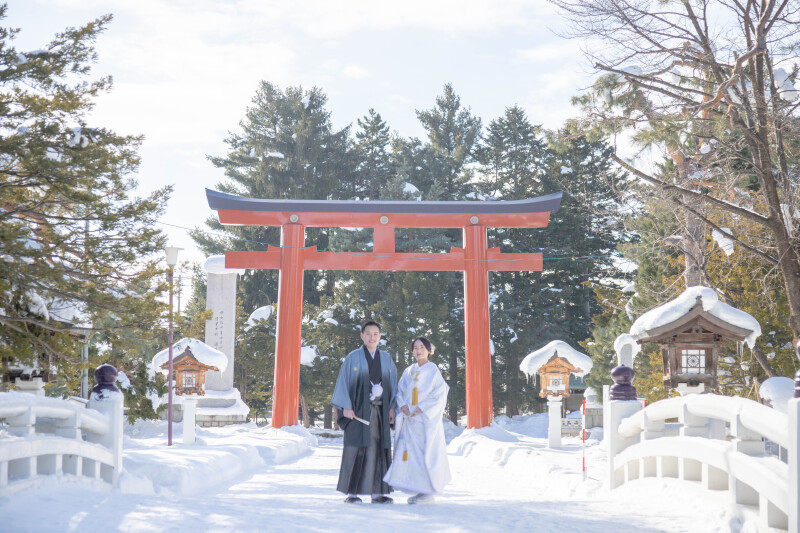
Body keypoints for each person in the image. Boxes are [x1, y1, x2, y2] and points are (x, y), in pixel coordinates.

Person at [331, 320, 397, 504]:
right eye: (368, 333)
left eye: (376, 334)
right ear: (362, 335)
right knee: (355, 450)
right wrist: (346, 406)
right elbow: (343, 383)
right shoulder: (353, 358)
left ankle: (378, 493)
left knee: (378, 450)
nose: (372, 337)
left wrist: (392, 406)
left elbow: (393, 385)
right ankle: (352, 493)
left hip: (380, 412)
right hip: (357, 414)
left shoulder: (386, 359)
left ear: (380, 336)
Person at [383, 336, 451, 504]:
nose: (418, 350)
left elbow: (440, 393)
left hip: (424, 421)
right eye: (415, 347)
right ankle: (419, 490)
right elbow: (400, 391)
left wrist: (422, 408)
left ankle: (428, 492)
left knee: (425, 454)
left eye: (422, 347)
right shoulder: (409, 370)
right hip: (410, 421)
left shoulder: (433, 370)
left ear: (429, 350)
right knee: (411, 455)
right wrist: (403, 405)